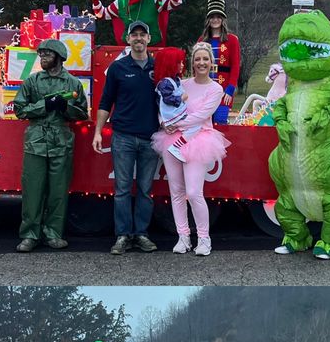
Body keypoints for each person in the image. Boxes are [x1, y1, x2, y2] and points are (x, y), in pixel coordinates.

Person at [151, 41, 230, 257]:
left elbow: (202, 115)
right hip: (172, 140)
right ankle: (183, 237)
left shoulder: (216, 89)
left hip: (199, 141)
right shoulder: (182, 83)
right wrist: (163, 122)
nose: (201, 62)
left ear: (211, 63)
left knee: (194, 192)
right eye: (197, 59)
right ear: (192, 63)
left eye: (205, 59)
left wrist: (177, 123)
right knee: (176, 192)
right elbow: (163, 106)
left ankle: (204, 238)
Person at [13, 38, 89, 252]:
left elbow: (82, 113)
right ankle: (29, 235)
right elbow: (19, 109)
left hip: (61, 142)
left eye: (47, 54)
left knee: (58, 192)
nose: (43, 58)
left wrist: (66, 108)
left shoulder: (73, 83)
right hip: (36, 141)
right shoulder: (33, 81)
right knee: (33, 191)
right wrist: (43, 105)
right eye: (41, 54)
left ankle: (53, 233)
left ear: (59, 57)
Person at [93, 20, 161, 255]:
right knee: (122, 188)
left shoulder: (159, 68)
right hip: (122, 137)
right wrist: (98, 132)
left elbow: (173, 100)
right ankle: (123, 236)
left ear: (149, 39)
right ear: (128, 39)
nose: (139, 38)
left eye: (143, 34)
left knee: (145, 189)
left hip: (151, 138)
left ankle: (141, 234)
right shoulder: (117, 68)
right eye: (135, 35)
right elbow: (105, 102)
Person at [154, 47, 202, 162]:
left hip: (175, 113)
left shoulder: (175, 80)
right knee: (195, 126)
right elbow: (167, 99)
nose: (181, 65)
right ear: (169, 64)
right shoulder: (165, 82)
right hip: (172, 115)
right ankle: (176, 146)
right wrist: (181, 98)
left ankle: (178, 145)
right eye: (178, 62)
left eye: (182, 62)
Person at [198, 0, 241, 124]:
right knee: (204, 126)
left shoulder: (232, 40)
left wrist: (230, 89)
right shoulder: (202, 40)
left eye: (218, 17)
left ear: (223, 19)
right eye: (212, 17)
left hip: (224, 92)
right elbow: (196, 68)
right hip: (205, 91)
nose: (215, 20)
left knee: (220, 122)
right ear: (208, 19)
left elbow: (235, 67)